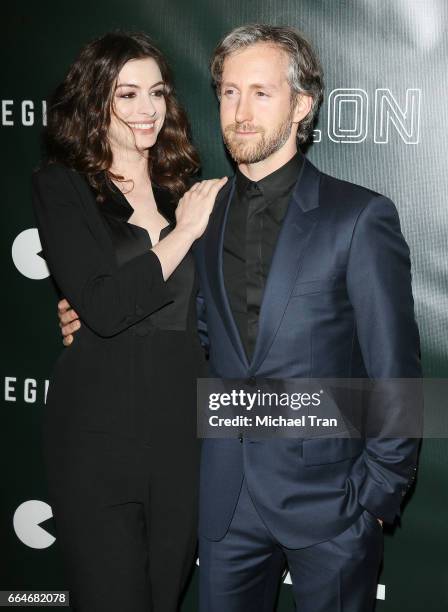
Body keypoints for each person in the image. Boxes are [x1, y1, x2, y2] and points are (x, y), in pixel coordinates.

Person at [60, 24, 422, 612]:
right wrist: (85, 318)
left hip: (332, 502)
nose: (240, 112)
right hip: (225, 502)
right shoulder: (199, 212)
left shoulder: (358, 218)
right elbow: (184, 328)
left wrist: (377, 496)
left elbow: (396, 370)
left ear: (301, 105)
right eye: (229, 92)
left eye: (261, 92)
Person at [32, 31, 226, 612]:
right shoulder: (62, 186)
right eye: (128, 95)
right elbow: (108, 307)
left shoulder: (183, 190)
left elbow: (212, 310)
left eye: (157, 92)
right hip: (95, 438)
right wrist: (182, 235)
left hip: (181, 438)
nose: (148, 110)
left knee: (163, 599)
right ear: (95, 103)